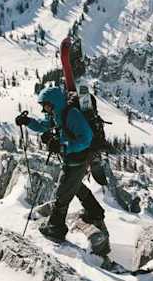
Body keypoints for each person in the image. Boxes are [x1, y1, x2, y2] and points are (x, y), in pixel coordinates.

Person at [16, 85, 105, 241]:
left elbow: (86, 138)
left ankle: (56, 228)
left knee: (62, 194)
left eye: (46, 105)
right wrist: (28, 121)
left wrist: (63, 145)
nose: (44, 110)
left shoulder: (72, 115)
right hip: (70, 156)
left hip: (79, 158)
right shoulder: (56, 113)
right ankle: (95, 212)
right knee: (75, 185)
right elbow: (43, 125)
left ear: (54, 102)